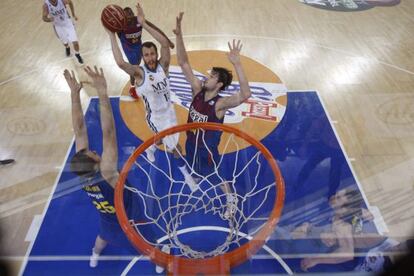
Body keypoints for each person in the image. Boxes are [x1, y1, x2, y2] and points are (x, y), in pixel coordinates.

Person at [106, 2, 196, 190]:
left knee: (164, 140)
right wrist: (111, 35)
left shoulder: (163, 66)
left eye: (152, 53)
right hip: (155, 116)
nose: (150, 57)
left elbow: (164, 43)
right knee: (175, 148)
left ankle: (151, 147)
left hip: (170, 112)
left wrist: (144, 23)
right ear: (143, 56)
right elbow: (121, 63)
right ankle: (188, 178)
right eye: (146, 55)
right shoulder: (140, 73)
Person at [64, 66, 135, 268]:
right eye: (94, 154)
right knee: (145, 232)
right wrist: (102, 93)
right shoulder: (107, 171)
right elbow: (109, 133)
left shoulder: (82, 168)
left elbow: (79, 131)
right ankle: (157, 253)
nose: (95, 151)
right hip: (127, 207)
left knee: (103, 237)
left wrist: (75, 95)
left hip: (106, 214)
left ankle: (95, 254)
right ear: (96, 163)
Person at [174, 12, 251, 180]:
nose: (206, 77)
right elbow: (183, 63)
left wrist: (237, 64)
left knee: (215, 178)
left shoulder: (220, 104)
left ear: (219, 85)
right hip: (191, 143)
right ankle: (196, 175)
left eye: (211, 76)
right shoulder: (197, 90)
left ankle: (231, 199)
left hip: (207, 150)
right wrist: (179, 36)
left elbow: (245, 94)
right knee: (195, 171)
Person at [298, 188, 407, 273]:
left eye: (338, 198)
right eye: (336, 195)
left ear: (346, 208)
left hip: (376, 258)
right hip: (382, 246)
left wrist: (315, 260)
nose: (333, 197)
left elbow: (347, 254)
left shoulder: (343, 225)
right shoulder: (355, 214)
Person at [117, 7, 174, 100]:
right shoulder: (120, 26)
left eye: (131, 13)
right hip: (129, 48)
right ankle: (132, 87)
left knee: (144, 62)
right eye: (127, 15)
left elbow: (156, 29)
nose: (130, 16)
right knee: (134, 66)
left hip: (138, 45)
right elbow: (114, 30)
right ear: (124, 17)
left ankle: (147, 79)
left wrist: (168, 41)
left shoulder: (138, 20)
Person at [42, 0, 83, 64]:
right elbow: (44, 18)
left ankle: (77, 54)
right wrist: (49, 19)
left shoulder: (62, 0)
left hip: (68, 23)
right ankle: (67, 47)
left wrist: (73, 14)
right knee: (64, 41)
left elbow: (70, 2)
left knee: (75, 41)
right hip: (58, 26)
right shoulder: (46, 5)